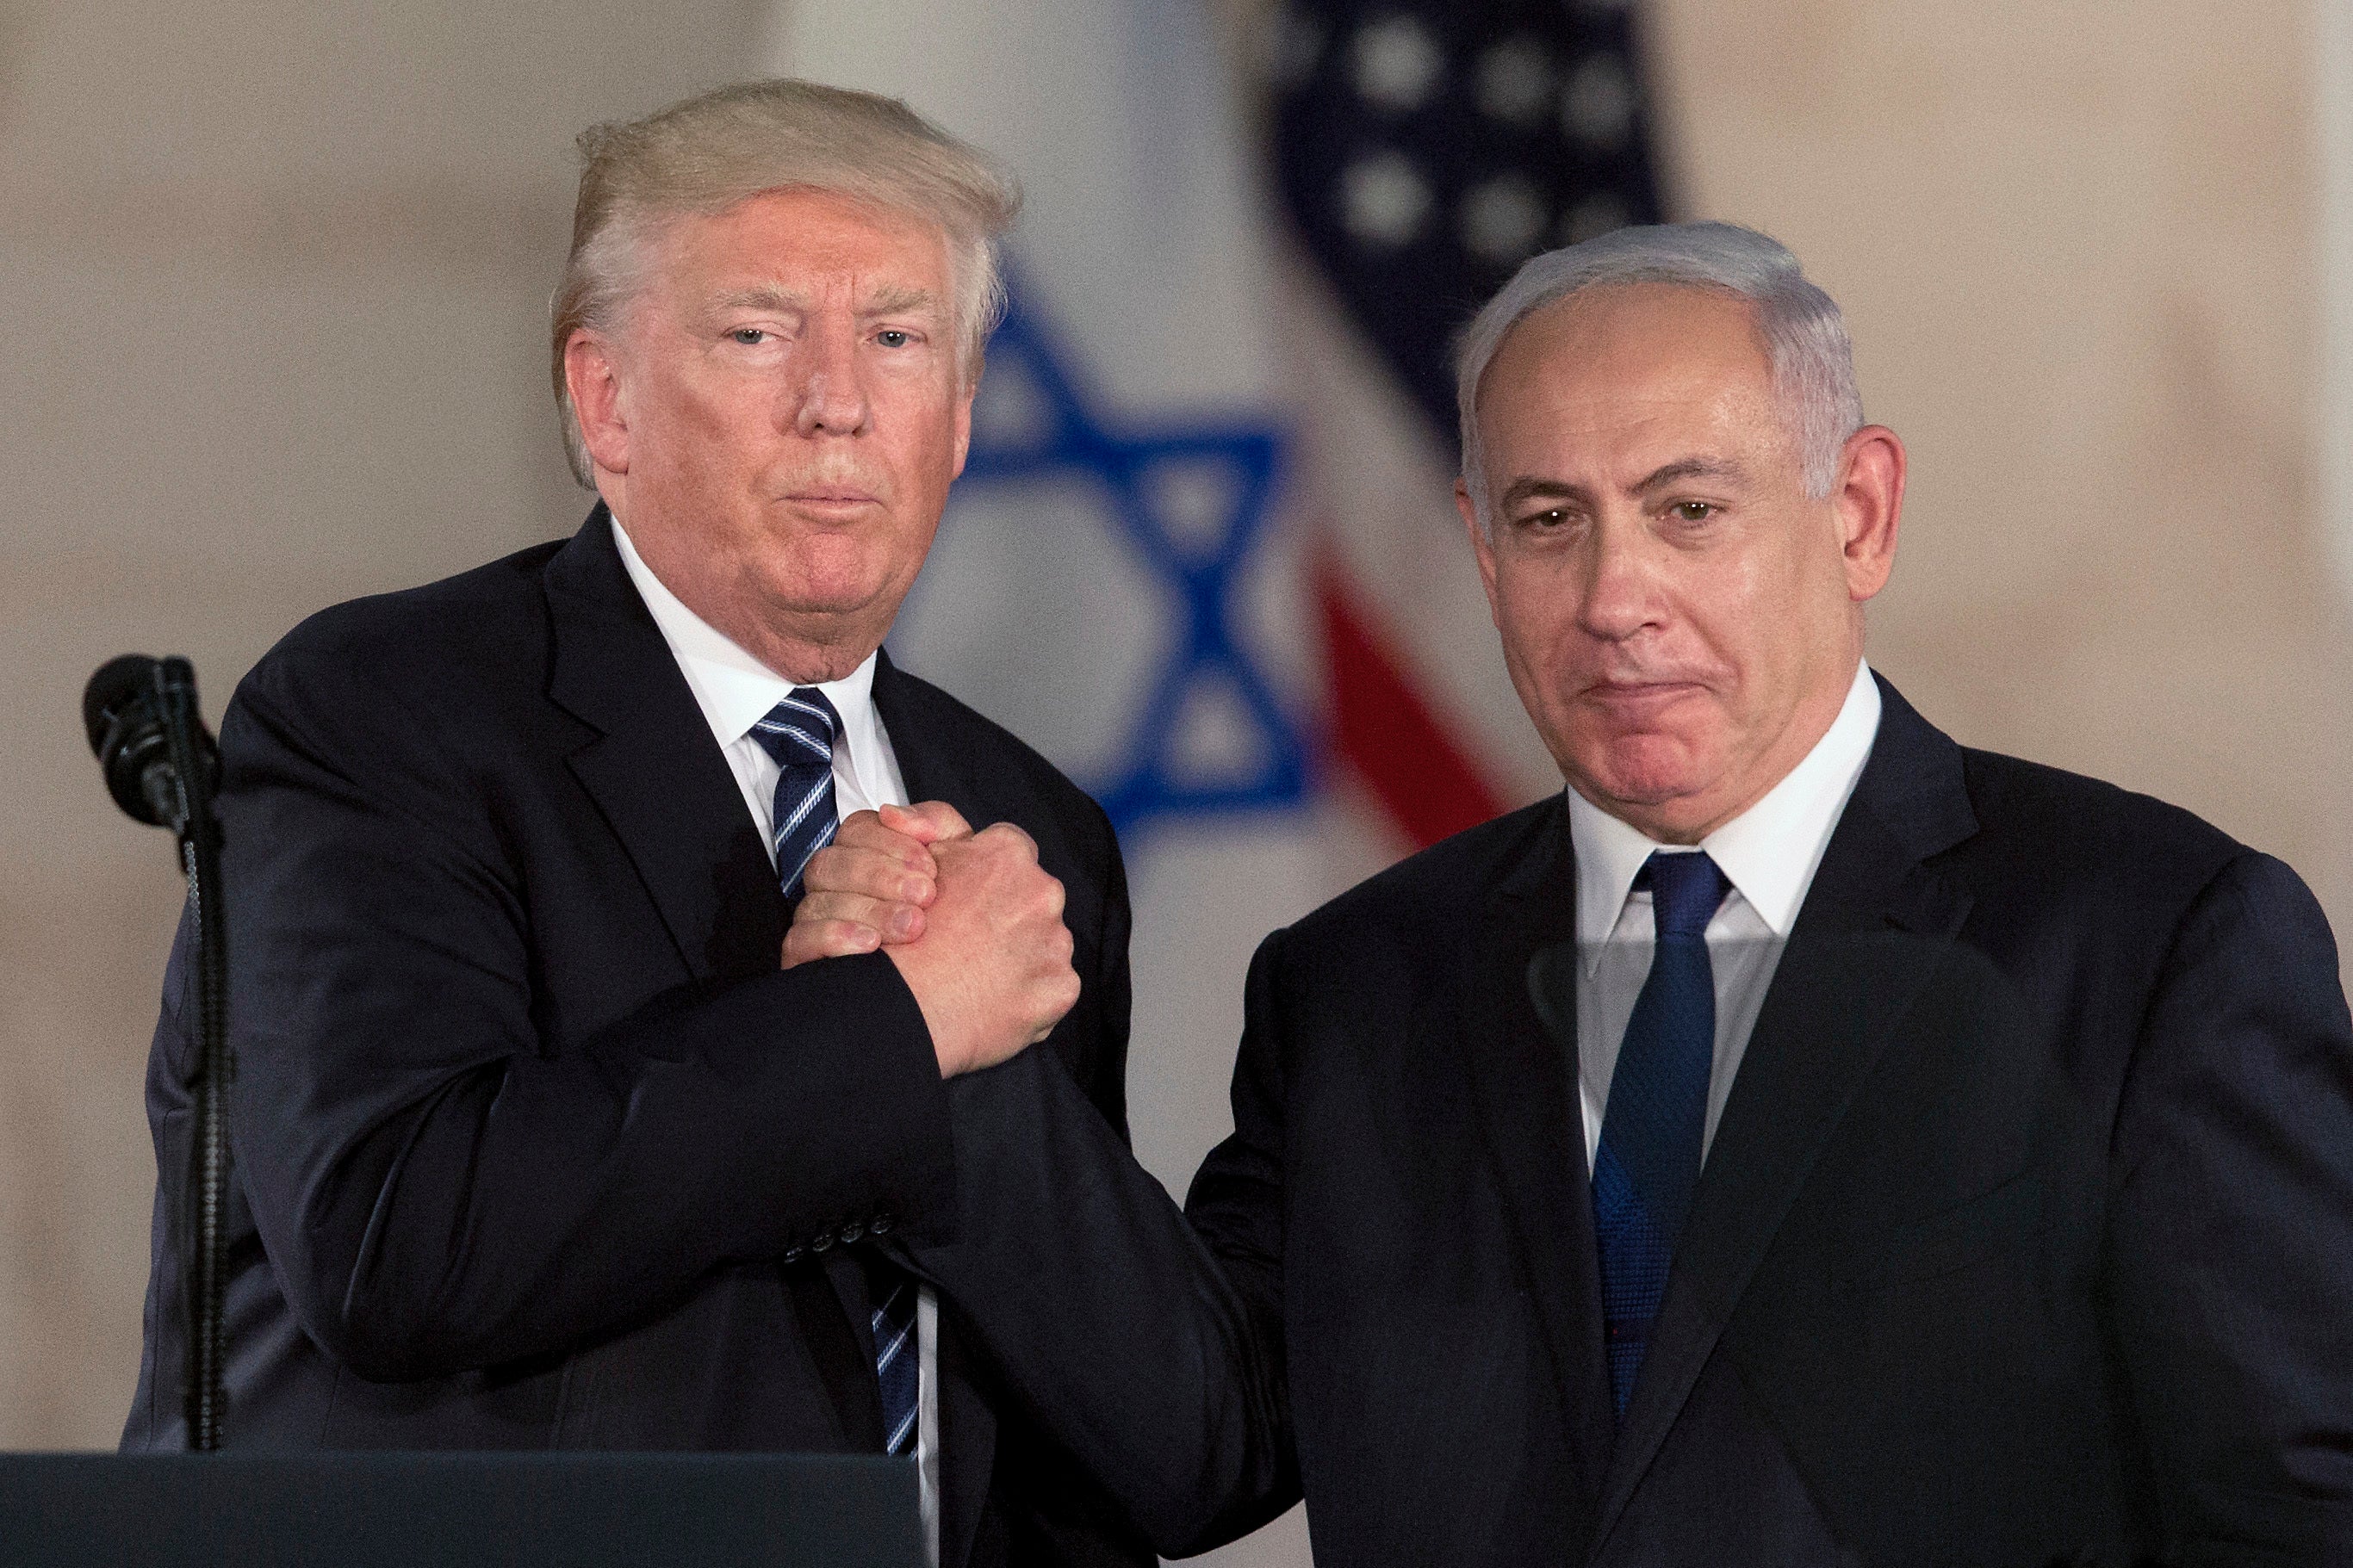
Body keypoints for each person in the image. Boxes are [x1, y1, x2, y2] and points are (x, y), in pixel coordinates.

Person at [798, 222, 2353, 1563]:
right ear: (1480, 548)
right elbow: (1203, 1445)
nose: (1616, 599)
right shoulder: (1356, 985)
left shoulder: (2156, 944)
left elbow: (2293, 1513)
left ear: (1859, 512)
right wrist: (954, 1054)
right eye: (1552, 522)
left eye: (1691, 509)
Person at [121, 79, 1153, 1568]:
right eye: (757, 333)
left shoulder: (1028, 823)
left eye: (898, 338)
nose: (838, 399)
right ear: (604, 401)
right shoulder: (384, 712)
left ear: (964, 417)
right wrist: (892, 1024)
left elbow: (1052, 1415)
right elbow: (396, 1238)